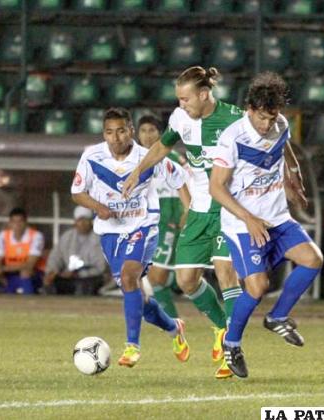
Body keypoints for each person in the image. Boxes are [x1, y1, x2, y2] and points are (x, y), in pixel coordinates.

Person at [123, 66, 245, 379]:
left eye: (185, 98)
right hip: (200, 208)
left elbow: (266, 148)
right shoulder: (180, 120)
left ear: (204, 94)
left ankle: (231, 349)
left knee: (225, 272)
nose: (181, 105)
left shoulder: (235, 119)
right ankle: (220, 326)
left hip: (229, 207)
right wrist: (138, 172)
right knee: (186, 281)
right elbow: (163, 146)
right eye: (178, 99)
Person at [209, 71, 324, 378]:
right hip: (241, 223)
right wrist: (249, 218)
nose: (267, 125)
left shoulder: (280, 125)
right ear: (250, 110)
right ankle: (231, 344)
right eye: (261, 118)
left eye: (272, 118)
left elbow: (285, 148)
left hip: (276, 217)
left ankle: (277, 317)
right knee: (257, 286)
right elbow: (216, 188)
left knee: (313, 259)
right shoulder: (232, 138)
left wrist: (294, 175)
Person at [71, 107, 191, 368]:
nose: (115, 138)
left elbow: (180, 180)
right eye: (109, 132)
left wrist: (189, 212)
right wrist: (97, 207)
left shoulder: (149, 156)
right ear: (104, 133)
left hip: (143, 227)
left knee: (129, 276)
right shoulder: (92, 156)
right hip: (110, 234)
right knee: (137, 296)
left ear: (131, 131)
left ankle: (132, 346)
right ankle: (173, 328)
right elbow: (77, 192)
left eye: (121, 131)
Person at [137, 115, 187, 318]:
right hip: (148, 226)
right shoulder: (137, 161)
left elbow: (188, 185)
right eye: (143, 131)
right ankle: (173, 323)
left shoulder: (172, 158)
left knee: (156, 278)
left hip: (169, 224)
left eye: (152, 130)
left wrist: (185, 212)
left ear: (161, 133)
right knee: (151, 278)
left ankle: (175, 325)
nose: (147, 135)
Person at [43, 206, 106, 295]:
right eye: (80, 220)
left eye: (86, 220)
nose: (83, 223)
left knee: (83, 286)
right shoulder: (67, 237)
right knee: (50, 282)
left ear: (91, 222)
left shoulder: (99, 238)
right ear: (75, 222)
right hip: (68, 276)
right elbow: (55, 257)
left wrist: (78, 273)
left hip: (90, 278)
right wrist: (52, 271)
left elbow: (101, 268)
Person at [0, 207, 45, 294]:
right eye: (14, 222)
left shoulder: (36, 236)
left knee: (25, 272)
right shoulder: (3, 236)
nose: (17, 225)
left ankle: (28, 301)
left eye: (20, 221)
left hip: (34, 273)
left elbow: (30, 264)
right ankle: (7, 290)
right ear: (10, 223)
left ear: (26, 223)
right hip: (10, 274)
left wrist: (4, 269)